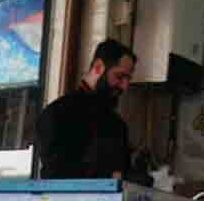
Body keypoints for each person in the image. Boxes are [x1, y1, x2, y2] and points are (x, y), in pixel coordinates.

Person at [35, 39, 136, 180]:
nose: (124, 86)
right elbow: (55, 176)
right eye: (120, 77)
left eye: (128, 79)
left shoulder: (118, 126)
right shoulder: (58, 113)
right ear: (98, 67)